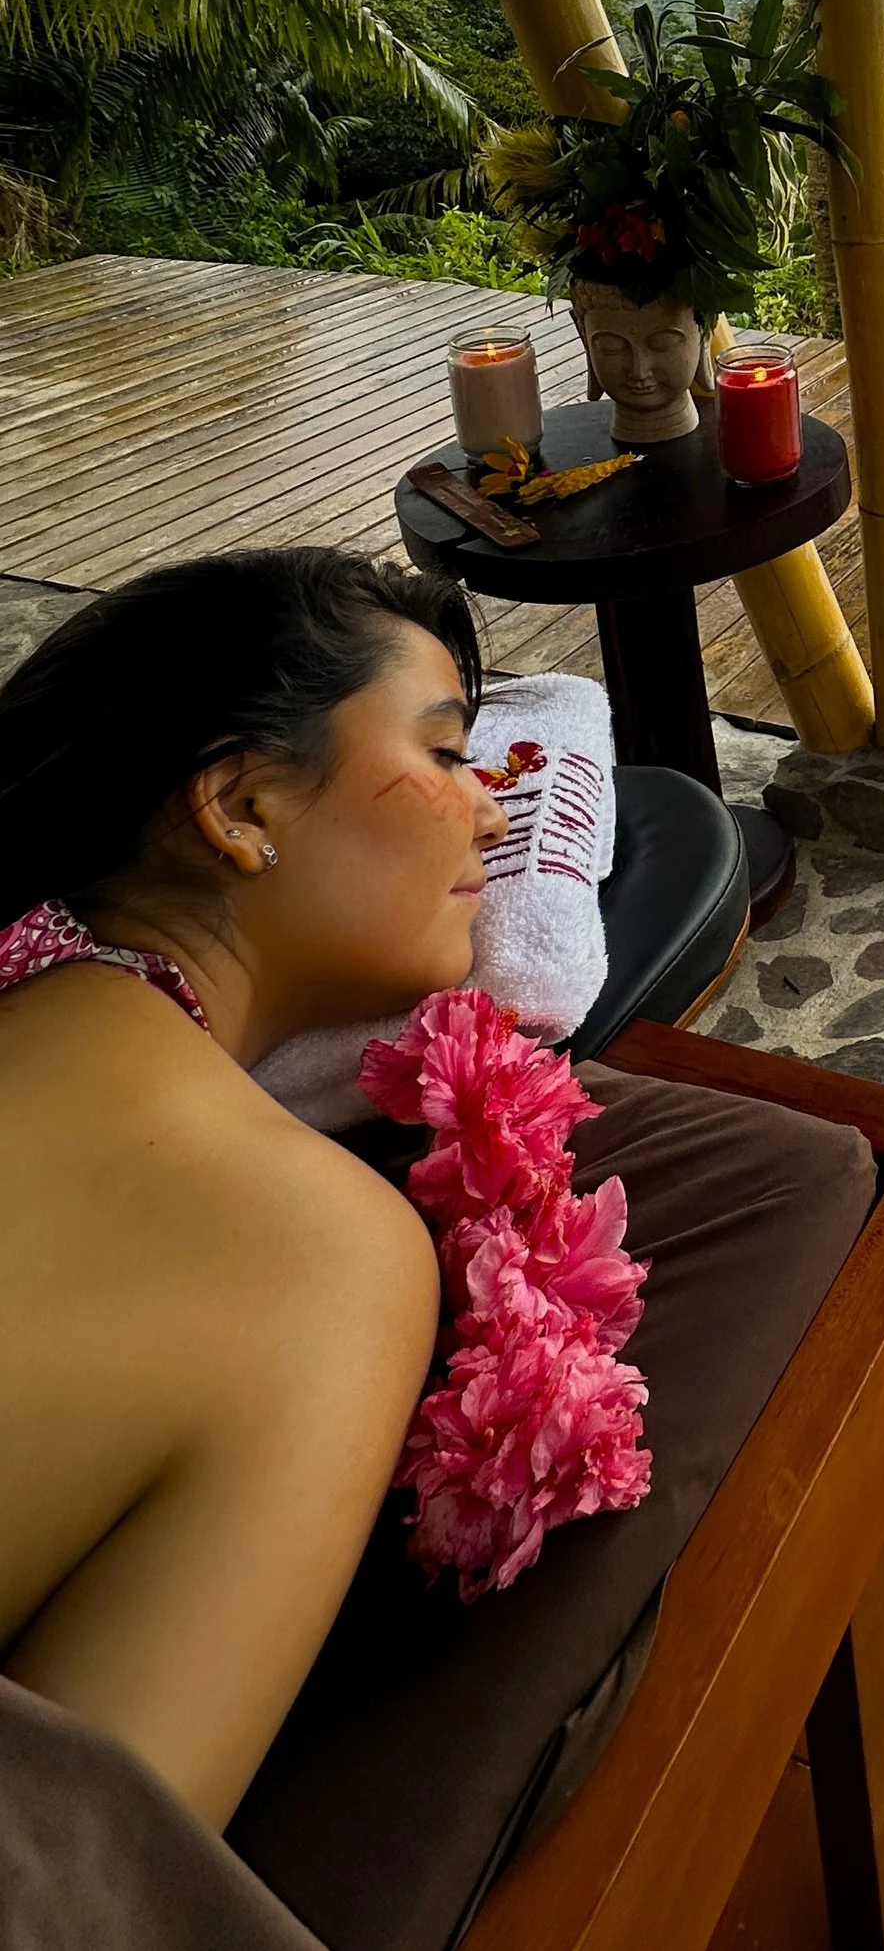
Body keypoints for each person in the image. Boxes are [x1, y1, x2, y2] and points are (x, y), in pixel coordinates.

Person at [0, 550, 503, 1827]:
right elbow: (80, 1895)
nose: (495, 815)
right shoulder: (317, 1253)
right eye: (445, 757)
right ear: (238, 806)